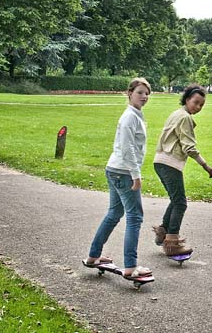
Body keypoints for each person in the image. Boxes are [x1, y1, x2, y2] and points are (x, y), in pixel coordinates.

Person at [84, 78, 153, 279]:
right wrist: (136, 175)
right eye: (140, 92)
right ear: (129, 93)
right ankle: (131, 266)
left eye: (147, 93)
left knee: (114, 213)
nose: (144, 96)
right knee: (135, 217)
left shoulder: (134, 115)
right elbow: (127, 148)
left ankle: (93, 256)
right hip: (123, 172)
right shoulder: (129, 117)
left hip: (115, 169)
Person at [151, 84, 212, 257]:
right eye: (196, 102)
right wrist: (205, 165)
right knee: (180, 203)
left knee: (175, 199)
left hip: (160, 161)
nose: (198, 107)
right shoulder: (184, 117)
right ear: (187, 99)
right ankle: (172, 242)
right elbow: (189, 147)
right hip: (169, 163)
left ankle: (163, 230)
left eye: (201, 105)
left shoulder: (176, 114)